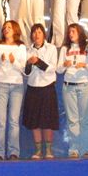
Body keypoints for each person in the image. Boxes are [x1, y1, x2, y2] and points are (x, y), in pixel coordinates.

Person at [57, 23, 88, 158]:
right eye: (69, 32)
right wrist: (64, 65)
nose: (71, 34)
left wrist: (85, 65)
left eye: (73, 31)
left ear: (80, 32)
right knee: (72, 119)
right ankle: (74, 149)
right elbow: (58, 70)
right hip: (68, 86)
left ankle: (87, 149)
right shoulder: (64, 49)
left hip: (85, 85)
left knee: (85, 119)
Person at [0, 20, 27, 160]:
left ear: (15, 30)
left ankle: (14, 152)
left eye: (9, 27)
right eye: (5, 27)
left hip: (17, 85)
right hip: (1, 84)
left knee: (13, 120)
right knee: (0, 120)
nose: (6, 29)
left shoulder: (21, 47)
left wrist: (13, 61)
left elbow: (24, 69)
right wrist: (0, 61)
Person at [23, 24, 59, 159]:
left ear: (44, 34)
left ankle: (48, 150)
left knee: (47, 120)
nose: (36, 35)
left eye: (39, 32)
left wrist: (38, 61)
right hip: (33, 87)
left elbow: (52, 68)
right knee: (34, 121)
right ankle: (38, 150)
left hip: (47, 87)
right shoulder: (28, 50)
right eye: (34, 32)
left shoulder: (51, 48)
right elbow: (25, 73)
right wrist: (29, 63)